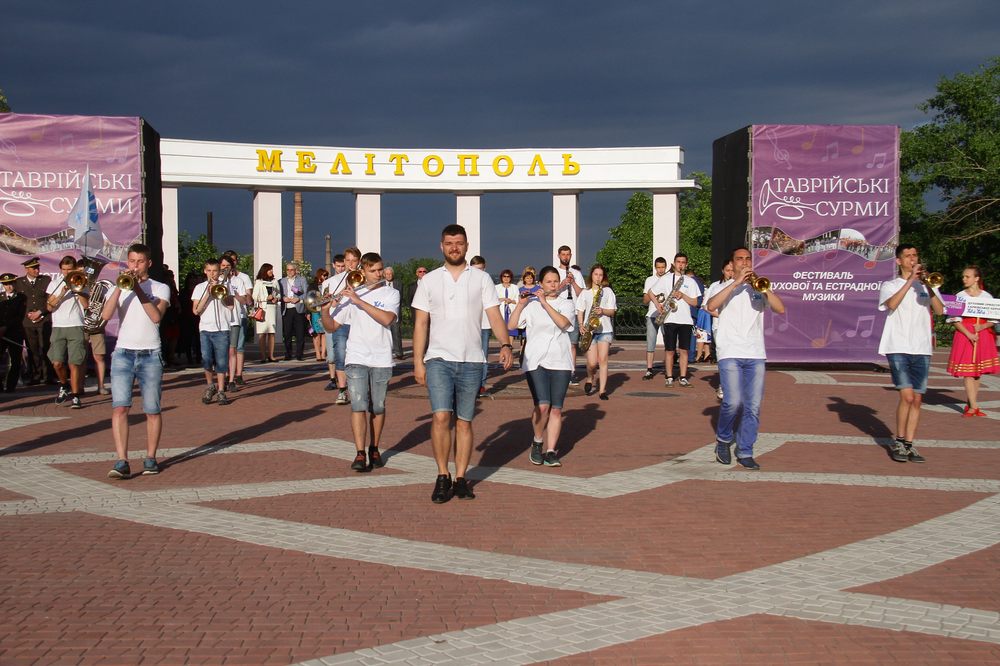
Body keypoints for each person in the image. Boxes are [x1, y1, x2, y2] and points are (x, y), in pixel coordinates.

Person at [412, 224, 513, 503]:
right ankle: (442, 475)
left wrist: (505, 344)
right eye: (449, 243)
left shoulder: (481, 279)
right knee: (441, 417)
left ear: (467, 246)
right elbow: (421, 324)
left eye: (459, 243)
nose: (454, 248)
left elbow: (494, 315)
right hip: (438, 359)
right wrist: (418, 362)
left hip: (471, 360)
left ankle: (460, 479)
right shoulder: (429, 280)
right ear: (441, 246)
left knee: (465, 422)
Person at [707, 247, 786, 471]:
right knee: (733, 402)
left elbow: (780, 309)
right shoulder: (721, 287)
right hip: (730, 351)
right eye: (740, 259)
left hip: (755, 353)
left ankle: (745, 450)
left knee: (753, 406)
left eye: (748, 259)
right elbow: (711, 306)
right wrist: (736, 283)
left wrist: (764, 289)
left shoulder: (759, 286)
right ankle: (723, 440)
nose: (744, 262)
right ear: (732, 264)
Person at [320, 252, 399, 472]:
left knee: (378, 406)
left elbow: (387, 319)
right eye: (373, 271)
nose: (378, 274)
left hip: (381, 357)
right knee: (358, 405)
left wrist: (359, 301)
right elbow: (331, 327)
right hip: (356, 357)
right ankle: (360, 452)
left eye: (380, 269)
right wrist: (325, 311)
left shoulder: (391, 293)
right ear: (362, 272)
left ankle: (374, 448)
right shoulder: (351, 294)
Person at [99, 243, 171, 479]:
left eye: (140, 262)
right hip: (123, 353)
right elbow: (105, 315)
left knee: (152, 409)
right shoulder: (119, 286)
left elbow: (156, 316)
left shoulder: (160, 287)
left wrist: (138, 289)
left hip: (150, 353)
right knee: (120, 407)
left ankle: (150, 457)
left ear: (148, 263)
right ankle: (122, 460)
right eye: (132, 261)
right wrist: (120, 288)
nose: (135, 266)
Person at [877, 244, 945, 463]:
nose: (912, 259)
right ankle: (898, 441)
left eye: (915, 255)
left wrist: (927, 286)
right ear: (899, 261)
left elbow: (939, 310)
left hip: (921, 347)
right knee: (906, 396)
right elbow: (892, 304)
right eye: (907, 256)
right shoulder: (890, 285)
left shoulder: (926, 285)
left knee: (916, 400)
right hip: (898, 346)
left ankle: (909, 444)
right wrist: (909, 282)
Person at [510, 266, 576, 467]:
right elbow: (512, 326)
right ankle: (538, 441)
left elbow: (564, 324)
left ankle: (551, 450)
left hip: (560, 361)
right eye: (548, 281)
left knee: (556, 409)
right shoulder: (531, 306)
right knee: (543, 405)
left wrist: (545, 303)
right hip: (535, 361)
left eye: (556, 281)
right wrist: (520, 305)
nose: (553, 285)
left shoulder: (566, 304)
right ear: (540, 284)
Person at [946, 265, 997, 416]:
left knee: (976, 372)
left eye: (967, 276)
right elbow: (954, 319)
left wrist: (983, 326)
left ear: (976, 278)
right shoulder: (960, 296)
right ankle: (974, 406)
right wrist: (968, 334)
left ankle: (971, 405)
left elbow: (994, 319)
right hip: (965, 334)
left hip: (982, 333)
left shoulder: (987, 297)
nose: (964, 279)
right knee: (968, 372)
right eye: (963, 276)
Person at [45, 256, 89, 408]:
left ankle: (76, 396)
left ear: (74, 269)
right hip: (58, 326)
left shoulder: (81, 281)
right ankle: (64, 385)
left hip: (76, 325)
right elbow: (49, 307)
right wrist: (62, 293)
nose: (66, 272)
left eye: (69, 270)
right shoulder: (54, 283)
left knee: (74, 363)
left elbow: (86, 305)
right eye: (63, 269)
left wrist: (78, 290)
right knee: (57, 363)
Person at [192, 258, 235, 406]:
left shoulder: (226, 286)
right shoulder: (199, 287)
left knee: (222, 361)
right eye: (209, 271)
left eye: (215, 271)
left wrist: (220, 293)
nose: (212, 274)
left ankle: (221, 390)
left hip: (222, 329)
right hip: (205, 329)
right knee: (206, 360)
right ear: (205, 271)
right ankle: (210, 386)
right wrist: (208, 294)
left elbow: (230, 306)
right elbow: (196, 311)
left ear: (219, 271)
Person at [322, 247, 361, 405]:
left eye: (354, 260)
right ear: (344, 261)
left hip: (360, 322)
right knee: (340, 355)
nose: (351, 264)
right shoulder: (330, 282)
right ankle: (342, 391)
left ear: (359, 261)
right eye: (348, 260)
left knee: (359, 356)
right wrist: (332, 301)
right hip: (340, 322)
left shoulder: (364, 278)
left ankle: (358, 388)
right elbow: (328, 304)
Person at [659, 254, 702, 388]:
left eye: (683, 262)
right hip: (670, 318)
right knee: (669, 350)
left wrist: (683, 295)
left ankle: (683, 377)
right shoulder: (666, 279)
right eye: (678, 262)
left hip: (686, 320)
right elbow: (651, 292)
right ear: (674, 263)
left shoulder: (691, 281)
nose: (681, 265)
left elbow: (695, 302)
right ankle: (669, 377)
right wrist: (658, 306)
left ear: (686, 264)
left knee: (684, 350)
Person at [577, 264, 617, 400]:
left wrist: (603, 311)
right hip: (590, 330)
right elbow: (580, 310)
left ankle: (602, 391)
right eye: (596, 274)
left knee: (603, 359)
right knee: (592, 363)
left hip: (605, 329)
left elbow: (612, 311)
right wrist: (581, 325)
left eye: (600, 275)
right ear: (591, 275)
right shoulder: (585, 292)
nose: (598, 277)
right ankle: (590, 377)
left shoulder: (608, 291)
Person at [14, 257, 52, 385]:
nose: (37, 270)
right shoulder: (19, 282)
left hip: (44, 320)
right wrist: (26, 315)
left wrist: (41, 312)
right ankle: (35, 376)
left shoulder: (46, 280)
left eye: (38, 268)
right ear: (26, 269)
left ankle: (48, 376)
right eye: (34, 268)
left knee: (46, 348)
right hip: (27, 322)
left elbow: (50, 299)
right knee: (32, 349)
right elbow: (17, 302)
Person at [220, 251, 252, 391]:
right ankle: (223, 377)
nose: (225, 268)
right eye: (223, 266)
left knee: (233, 349)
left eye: (228, 266)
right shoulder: (217, 280)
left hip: (235, 318)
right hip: (221, 319)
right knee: (222, 350)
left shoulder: (238, 280)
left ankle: (232, 379)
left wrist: (234, 294)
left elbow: (245, 300)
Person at [704, 260, 735, 400]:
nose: (730, 273)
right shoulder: (715, 286)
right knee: (724, 356)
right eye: (727, 270)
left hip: (736, 328)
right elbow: (706, 306)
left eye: (732, 270)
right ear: (723, 271)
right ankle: (723, 384)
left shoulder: (742, 286)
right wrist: (720, 314)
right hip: (719, 326)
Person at [555, 246, 586, 383]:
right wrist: (562, 284)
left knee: (572, 344)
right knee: (558, 344)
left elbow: (582, 294)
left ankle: (572, 372)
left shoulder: (576, 273)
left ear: (571, 256)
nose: (565, 257)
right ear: (558, 255)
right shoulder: (554, 272)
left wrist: (572, 282)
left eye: (568, 254)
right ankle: (558, 371)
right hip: (559, 312)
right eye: (563, 254)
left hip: (573, 312)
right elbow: (550, 292)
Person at [642, 257, 671, 380]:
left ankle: (668, 369)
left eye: (663, 267)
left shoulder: (669, 279)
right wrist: (653, 291)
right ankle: (649, 369)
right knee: (651, 343)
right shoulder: (650, 280)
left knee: (668, 343)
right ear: (655, 268)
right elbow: (645, 300)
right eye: (658, 267)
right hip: (652, 314)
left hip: (666, 314)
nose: (661, 270)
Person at [321, 254, 346, 390]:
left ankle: (344, 380)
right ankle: (332, 379)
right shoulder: (327, 283)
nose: (341, 269)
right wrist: (331, 302)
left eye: (343, 266)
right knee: (331, 354)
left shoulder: (349, 280)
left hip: (345, 319)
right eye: (338, 266)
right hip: (331, 318)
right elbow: (323, 301)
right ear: (333, 265)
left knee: (343, 353)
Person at [0, 273, 26, 392]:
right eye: (5, 284)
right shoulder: (0, 297)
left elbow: (19, 316)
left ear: (15, 283)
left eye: (10, 283)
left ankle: (11, 386)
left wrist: (5, 327)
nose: (8, 286)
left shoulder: (21, 297)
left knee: (15, 361)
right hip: (1, 335)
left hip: (15, 333)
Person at [470, 255, 491, 395]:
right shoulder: (465, 283)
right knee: (469, 356)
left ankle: (481, 385)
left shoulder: (488, 282)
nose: (478, 272)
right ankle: (470, 384)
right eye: (475, 269)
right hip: (470, 325)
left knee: (483, 356)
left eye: (481, 269)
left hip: (484, 325)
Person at [279, 262, 308, 362]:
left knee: (300, 333)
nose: (289, 272)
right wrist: (283, 298)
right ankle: (288, 354)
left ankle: (299, 354)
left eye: (291, 270)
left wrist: (298, 299)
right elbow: (278, 294)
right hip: (287, 310)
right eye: (288, 270)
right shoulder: (281, 281)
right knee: (287, 334)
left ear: (296, 270)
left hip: (298, 309)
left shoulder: (302, 280)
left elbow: (306, 294)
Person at [252, 263, 279, 363]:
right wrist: (265, 298)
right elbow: (254, 296)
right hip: (263, 309)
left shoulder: (274, 281)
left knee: (272, 332)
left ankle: (271, 356)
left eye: (272, 269)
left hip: (272, 308)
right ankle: (263, 356)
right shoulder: (259, 282)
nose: (271, 271)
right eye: (269, 270)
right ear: (265, 271)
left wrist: (276, 298)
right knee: (262, 333)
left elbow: (279, 294)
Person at [309, 267, 329, 362]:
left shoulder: (328, 285)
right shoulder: (312, 285)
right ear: (319, 275)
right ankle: (317, 353)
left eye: (326, 276)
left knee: (324, 332)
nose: (325, 277)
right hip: (315, 311)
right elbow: (307, 299)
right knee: (316, 333)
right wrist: (307, 312)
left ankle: (323, 353)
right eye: (324, 275)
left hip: (325, 310)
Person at [384, 266, 404, 359]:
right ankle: (385, 353)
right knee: (384, 334)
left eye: (390, 274)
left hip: (395, 312)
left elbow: (401, 299)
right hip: (383, 312)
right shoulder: (380, 284)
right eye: (387, 274)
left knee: (396, 333)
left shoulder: (398, 284)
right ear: (384, 275)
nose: (389, 275)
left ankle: (399, 353)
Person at [495, 269, 519, 342]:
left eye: (508, 276)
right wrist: (501, 299)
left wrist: (511, 301)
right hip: (501, 312)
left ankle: (510, 346)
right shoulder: (496, 287)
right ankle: (504, 346)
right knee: (502, 331)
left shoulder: (515, 287)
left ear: (510, 278)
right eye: (504, 276)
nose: (506, 278)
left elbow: (518, 300)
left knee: (511, 331)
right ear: (501, 277)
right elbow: (493, 300)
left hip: (511, 312)